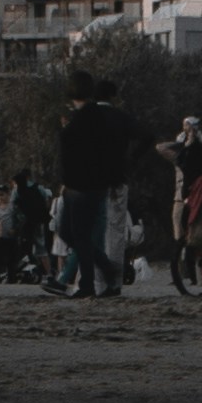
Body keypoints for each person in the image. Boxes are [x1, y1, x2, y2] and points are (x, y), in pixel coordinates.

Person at [55, 71, 130, 300]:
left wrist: (65, 129)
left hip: (80, 185)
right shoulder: (97, 116)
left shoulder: (82, 119)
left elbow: (72, 148)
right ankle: (102, 269)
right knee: (78, 234)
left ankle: (92, 278)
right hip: (95, 184)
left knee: (73, 233)